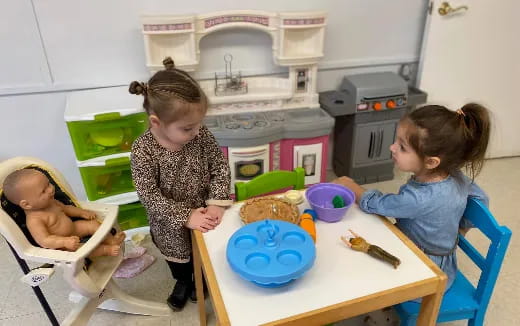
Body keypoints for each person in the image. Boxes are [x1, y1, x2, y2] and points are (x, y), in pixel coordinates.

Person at [334, 103, 491, 293]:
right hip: (441, 262)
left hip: (426, 272)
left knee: (351, 266)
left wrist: (349, 186)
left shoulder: (419, 198)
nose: (392, 147)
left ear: (431, 162)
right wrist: (461, 229)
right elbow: (481, 198)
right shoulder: (456, 176)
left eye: (402, 147)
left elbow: (378, 204)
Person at [129, 57, 232, 311]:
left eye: (199, 124)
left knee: (207, 254)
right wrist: (185, 216)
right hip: (169, 224)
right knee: (178, 260)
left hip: (206, 213)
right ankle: (184, 282)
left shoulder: (200, 134)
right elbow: (149, 195)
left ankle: (204, 279)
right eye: (187, 128)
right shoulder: (143, 150)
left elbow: (219, 167)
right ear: (156, 122)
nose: (196, 132)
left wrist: (217, 204)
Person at [2, 169, 125, 256]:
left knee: (92, 224)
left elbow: (66, 209)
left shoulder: (51, 202)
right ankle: (105, 250)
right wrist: (64, 242)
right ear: (26, 204)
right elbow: (44, 241)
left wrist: (82, 213)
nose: (50, 189)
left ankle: (111, 240)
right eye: (43, 191)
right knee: (82, 251)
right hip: (63, 245)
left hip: (74, 229)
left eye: (48, 184)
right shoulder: (34, 220)